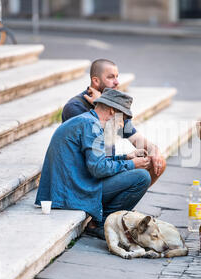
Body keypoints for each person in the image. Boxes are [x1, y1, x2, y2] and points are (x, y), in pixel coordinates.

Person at [35, 89, 152, 240]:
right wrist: (132, 165)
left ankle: (103, 220)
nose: (122, 125)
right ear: (112, 111)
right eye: (122, 119)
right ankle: (102, 224)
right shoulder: (91, 125)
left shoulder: (87, 121)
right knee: (141, 177)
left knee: (134, 172)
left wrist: (127, 157)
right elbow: (98, 169)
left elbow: (96, 163)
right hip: (70, 194)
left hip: (68, 189)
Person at [61, 58, 166, 186]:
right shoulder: (75, 108)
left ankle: (120, 199)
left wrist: (155, 152)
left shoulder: (115, 107)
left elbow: (138, 140)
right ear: (95, 81)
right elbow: (94, 150)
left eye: (117, 77)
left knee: (157, 163)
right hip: (86, 175)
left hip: (107, 166)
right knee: (141, 176)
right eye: (111, 77)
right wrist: (99, 104)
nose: (117, 82)